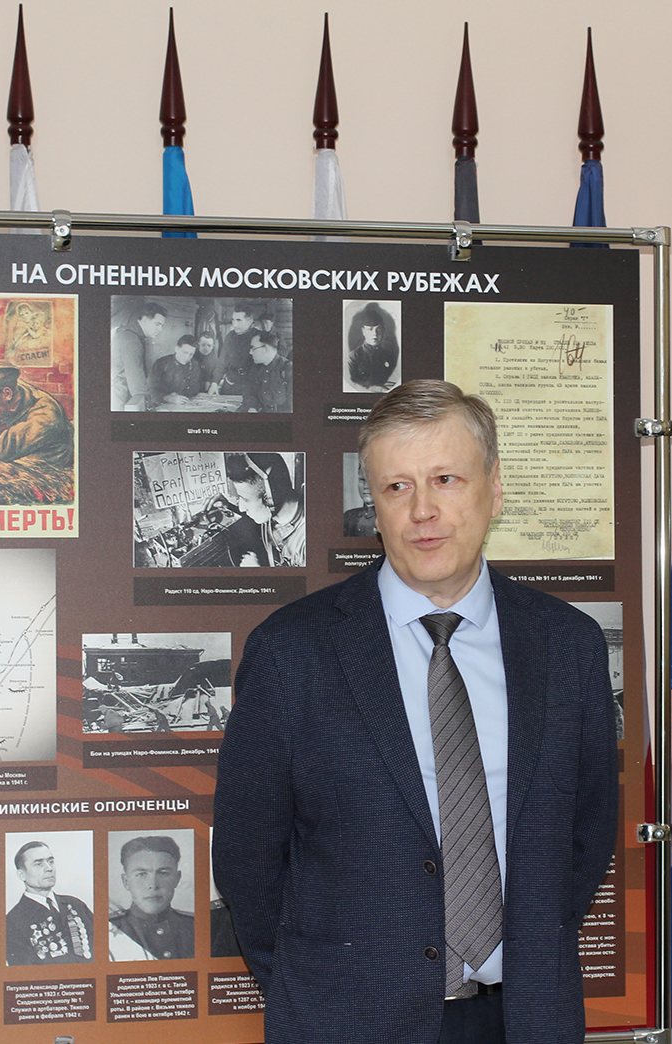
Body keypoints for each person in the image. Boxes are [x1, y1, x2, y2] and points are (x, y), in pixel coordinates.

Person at [213, 380, 617, 1044]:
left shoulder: (566, 645)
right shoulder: (293, 652)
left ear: (494, 489)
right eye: (397, 487)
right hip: (350, 1022)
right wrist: (315, 989)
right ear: (374, 506)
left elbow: (586, 837)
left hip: (526, 1019)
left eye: (446, 479)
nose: (423, 510)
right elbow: (247, 860)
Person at [6, 840, 94, 965]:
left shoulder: (76, 905)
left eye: (51, 861)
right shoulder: (13, 921)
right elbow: (25, 970)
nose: (49, 868)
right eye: (38, 864)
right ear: (21, 875)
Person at [109, 836, 195, 961]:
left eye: (163, 873)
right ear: (126, 881)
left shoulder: (196, 926)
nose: (153, 885)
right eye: (141, 874)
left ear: (177, 879)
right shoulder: (109, 929)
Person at [223, 452, 306, 567]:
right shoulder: (273, 512)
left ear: (270, 499)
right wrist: (227, 507)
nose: (241, 508)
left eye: (246, 500)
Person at [111, 301, 167, 409]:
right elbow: (137, 383)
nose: (160, 329)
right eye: (157, 324)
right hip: (120, 400)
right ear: (145, 320)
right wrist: (148, 405)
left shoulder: (130, 334)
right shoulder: (130, 339)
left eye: (162, 325)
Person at [347, 301, 399, 391]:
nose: (374, 334)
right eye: (370, 329)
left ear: (383, 331)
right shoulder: (353, 357)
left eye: (378, 329)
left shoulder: (390, 356)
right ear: (363, 331)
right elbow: (352, 383)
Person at [210, 304, 256, 397]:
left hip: (249, 387)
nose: (234, 325)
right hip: (229, 385)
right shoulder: (230, 336)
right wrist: (215, 382)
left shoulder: (258, 337)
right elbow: (222, 361)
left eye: (239, 320)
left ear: (249, 321)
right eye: (233, 320)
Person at [242, 331, 292, 413]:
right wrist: (252, 408)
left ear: (266, 349)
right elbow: (250, 394)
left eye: (253, 348)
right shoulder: (256, 368)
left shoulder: (288, 369)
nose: (250, 352)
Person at [149, 334, 201, 406]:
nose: (187, 357)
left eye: (191, 354)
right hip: (161, 404)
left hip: (183, 403)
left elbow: (195, 386)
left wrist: (182, 394)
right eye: (185, 352)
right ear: (176, 349)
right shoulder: (161, 363)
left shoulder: (194, 364)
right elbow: (151, 388)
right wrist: (169, 398)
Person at [343, 462, 377, 537]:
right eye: (362, 480)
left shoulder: (389, 517)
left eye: (371, 481)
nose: (365, 486)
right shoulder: (349, 516)